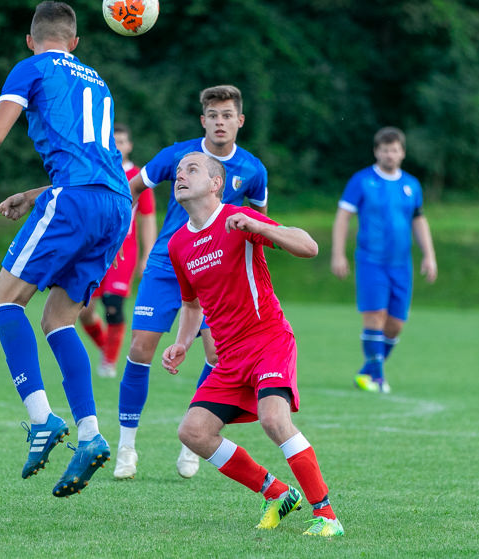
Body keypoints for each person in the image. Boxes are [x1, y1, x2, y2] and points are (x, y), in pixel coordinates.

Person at [0, 1, 131, 497]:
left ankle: (41, 418)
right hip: (116, 205)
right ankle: (90, 435)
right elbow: (91, 160)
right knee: (58, 319)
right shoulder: (97, 80)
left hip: (75, 200)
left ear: (32, 40)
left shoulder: (31, 67)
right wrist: (35, 195)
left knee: (3, 301)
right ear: (75, 41)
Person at [161, 152, 344, 537]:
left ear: (215, 184)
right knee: (193, 432)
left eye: (191, 169)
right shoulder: (178, 244)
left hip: (268, 341)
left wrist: (260, 228)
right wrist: (182, 343)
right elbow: (192, 303)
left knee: (274, 419)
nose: (180, 175)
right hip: (229, 357)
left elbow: (308, 246)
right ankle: (276, 493)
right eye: (178, 172)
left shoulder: (238, 218)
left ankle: (327, 516)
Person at [114, 85, 268, 480]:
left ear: (240, 120)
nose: (220, 121)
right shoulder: (177, 156)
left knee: (216, 357)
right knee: (141, 347)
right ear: (203, 120)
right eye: (213, 115)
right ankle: (126, 447)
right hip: (170, 263)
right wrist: (113, 237)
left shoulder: (253, 170)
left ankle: (191, 440)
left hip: (221, 272)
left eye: (227, 114)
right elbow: (131, 190)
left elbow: (261, 227)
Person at [330, 126, 437, 393]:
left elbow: (419, 220)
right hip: (371, 261)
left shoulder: (411, 185)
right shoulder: (362, 180)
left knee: (395, 324)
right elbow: (343, 217)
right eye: (385, 149)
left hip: (402, 264)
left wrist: (429, 255)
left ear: (402, 153)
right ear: (377, 151)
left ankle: (367, 371)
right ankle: (377, 378)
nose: (390, 154)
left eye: (395, 150)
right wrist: (338, 253)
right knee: (375, 316)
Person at [78, 124, 156, 378]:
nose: (117, 146)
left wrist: (147, 256)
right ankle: (107, 349)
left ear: (129, 146)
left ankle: (109, 362)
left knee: (113, 303)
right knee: (83, 310)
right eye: (113, 142)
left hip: (125, 252)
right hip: (95, 251)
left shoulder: (138, 176)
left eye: (122, 141)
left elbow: (148, 218)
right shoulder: (98, 171)